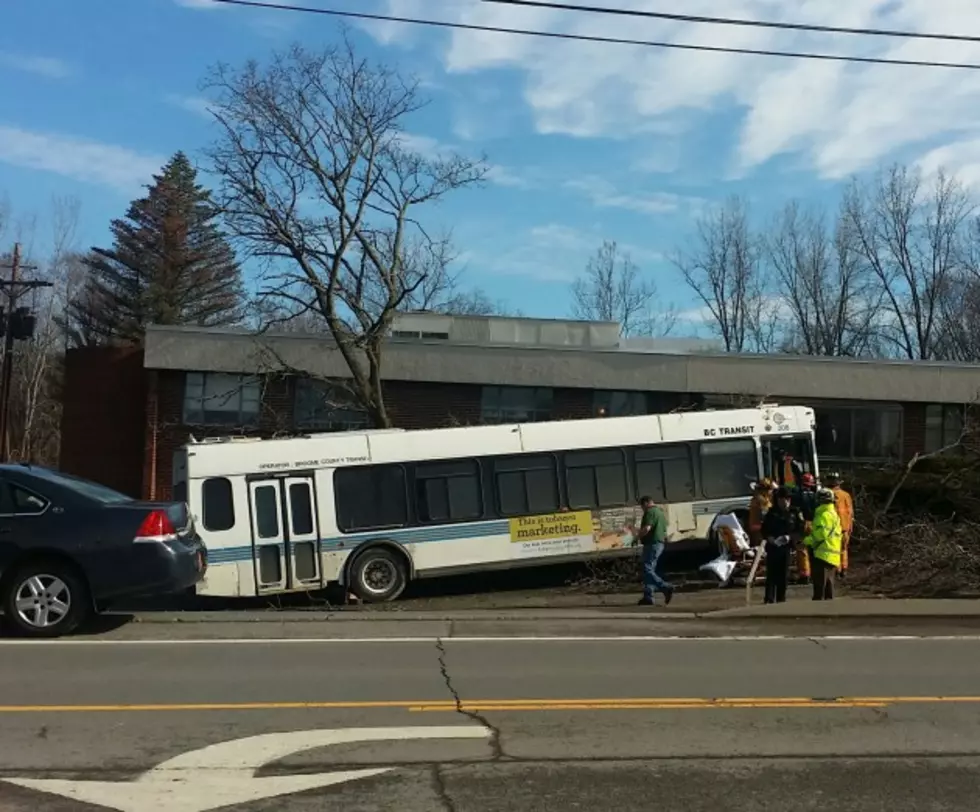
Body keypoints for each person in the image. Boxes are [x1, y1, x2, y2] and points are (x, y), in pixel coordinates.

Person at [761, 487, 801, 604]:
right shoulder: (771, 513)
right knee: (772, 574)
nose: (785, 502)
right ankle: (769, 598)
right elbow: (764, 529)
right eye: (782, 499)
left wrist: (790, 537)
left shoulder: (794, 513)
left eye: (787, 499)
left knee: (783, 575)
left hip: (786, 547)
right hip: (773, 547)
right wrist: (770, 538)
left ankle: (781, 598)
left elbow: (800, 530)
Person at [804, 487, 843, 601]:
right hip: (833, 554)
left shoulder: (823, 514)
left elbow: (821, 534)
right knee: (829, 588)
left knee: (819, 589)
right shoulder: (834, 514)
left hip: (821, 554)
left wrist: (806, 541)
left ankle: (817, 614)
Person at [637, 495, 675, 607]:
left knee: (647, 569)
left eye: (642, 507)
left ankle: (665, 587)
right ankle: (648, 597)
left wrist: (638, 536)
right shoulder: (660, 512)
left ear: (646, 503)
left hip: (652, 544)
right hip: (659, 543)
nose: (642, 509)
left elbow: (647, 528)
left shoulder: (650, 512)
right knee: (650, 570)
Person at [826, 472, 854, 579]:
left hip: (834, 527)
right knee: (844, 549)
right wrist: (850, 526)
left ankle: (837, 570)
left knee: (835, 549)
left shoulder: (827, 494)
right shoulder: (846, 495)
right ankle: (844, 569)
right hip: (845, 526)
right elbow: (850, 512)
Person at [792, 473, 818, 584]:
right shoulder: (816, 496)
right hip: (814, 524)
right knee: (813, 550)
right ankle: (815, 573)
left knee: (801, 550)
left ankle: (804, 574)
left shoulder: (797, 496)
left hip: (801, 525)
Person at [747, 478, 774, 547]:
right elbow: (765, 513)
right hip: (759, 527)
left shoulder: (758, 497)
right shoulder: (761, 500)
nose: (771, 491)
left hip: (756, 525)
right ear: (765, 490)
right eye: (770, 490)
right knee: (761, 546)